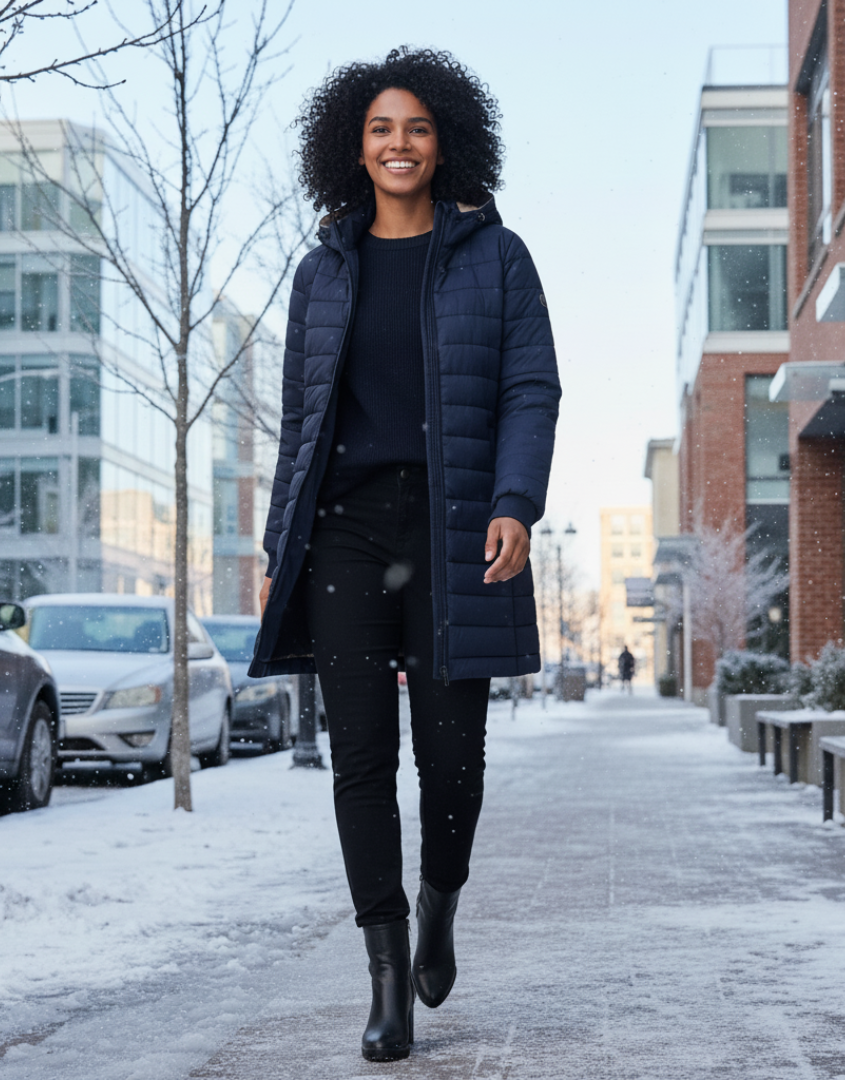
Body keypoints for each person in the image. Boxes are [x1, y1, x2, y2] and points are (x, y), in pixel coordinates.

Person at [249, 47, 561, 1062]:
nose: (398, 144)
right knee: (361, 761)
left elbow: (529, 389)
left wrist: (515, 501)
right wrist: (275, 539)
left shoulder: (496, 258)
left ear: (447, 141)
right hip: (344, 528)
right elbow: (301, 421)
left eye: (417, 127)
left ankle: (440, 898)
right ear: (354, 145)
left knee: (452, 758)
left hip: (453, 526)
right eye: (381, 128)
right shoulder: (322, 271)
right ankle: (385, 976)